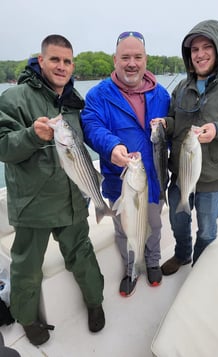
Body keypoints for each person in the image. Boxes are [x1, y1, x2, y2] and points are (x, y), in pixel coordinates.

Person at [0, 34, 105, 346]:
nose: (62, 66)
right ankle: (28, 319)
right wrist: (32, 135)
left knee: (82, 254)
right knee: (27, 268)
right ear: (41, 60)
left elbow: (89, 141)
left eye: (67, 61)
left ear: (73, 66)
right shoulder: (14, 98)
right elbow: (3, 146)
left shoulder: (73, 102)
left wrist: (117, 149)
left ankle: (95, 302)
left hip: (71, 199)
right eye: (55, 59)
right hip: (33, 205)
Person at [151, 19, 218, 275]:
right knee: (178, 221)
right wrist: (164, 125)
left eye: (206, 47)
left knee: (208, 229)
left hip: (214, 178)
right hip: (181, 174)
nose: (199, 54)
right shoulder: (182, 87)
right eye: (194, 49)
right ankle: (182, 255)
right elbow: (176, 121)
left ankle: (201, 266)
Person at [81, 31, 170, 297]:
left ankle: (152, 261)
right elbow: (91, 125)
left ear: (145, 59)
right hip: (119, 180)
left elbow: (172, 132)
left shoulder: (162, 95)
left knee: (154, 225)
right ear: (115, 60)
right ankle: (132, 268)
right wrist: (111, 146)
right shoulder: (98, 95)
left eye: (137, 57)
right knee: (123, 229)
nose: (132, 63)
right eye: (125, 57)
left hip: (153, 179)